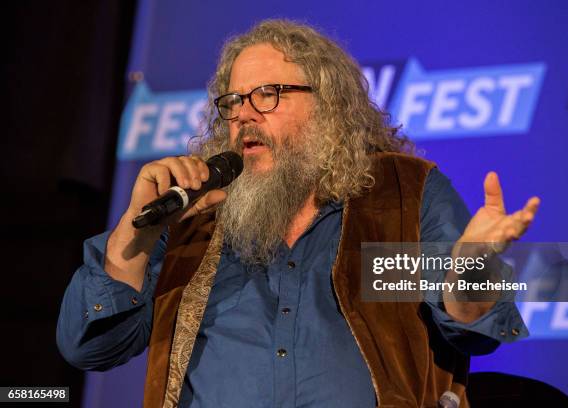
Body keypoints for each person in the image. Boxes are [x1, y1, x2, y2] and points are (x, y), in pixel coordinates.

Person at [57, 19, 540, 408]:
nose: (244, 114)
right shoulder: (192, 215)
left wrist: (472, 261)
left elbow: (471, 325)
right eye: (232, 102)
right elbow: (92, 347)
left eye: (268, 94)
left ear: (329, 108)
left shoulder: (403, 195)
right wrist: (136, 232)